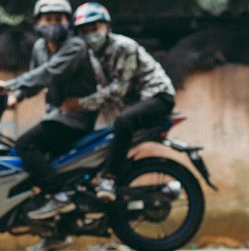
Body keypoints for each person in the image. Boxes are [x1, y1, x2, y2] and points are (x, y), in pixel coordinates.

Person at [0, 0, 98, 251]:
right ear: (38, 22)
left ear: (67, 22)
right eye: (47, 20)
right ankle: (57, 233)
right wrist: (17, 96)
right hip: (55, 116)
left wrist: (10, 85)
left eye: (58, 19)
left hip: (76, 118)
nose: (52, 25)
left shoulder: (76, 45)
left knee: (25, 144)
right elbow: (36, 80)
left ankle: (58, 195)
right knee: (49, 167)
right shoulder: (40, 46)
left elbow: (50, 73)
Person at [62, 2, 176, 202]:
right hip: (137, 103)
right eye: (85, 31)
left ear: (107, 27)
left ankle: (109, 178)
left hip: (159, 97)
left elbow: (118, 90)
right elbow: (102, 89)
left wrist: (81, 103)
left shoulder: (124, 47)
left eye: (94, 28)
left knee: (123, 122)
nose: (91, 34)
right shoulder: (93, 55)